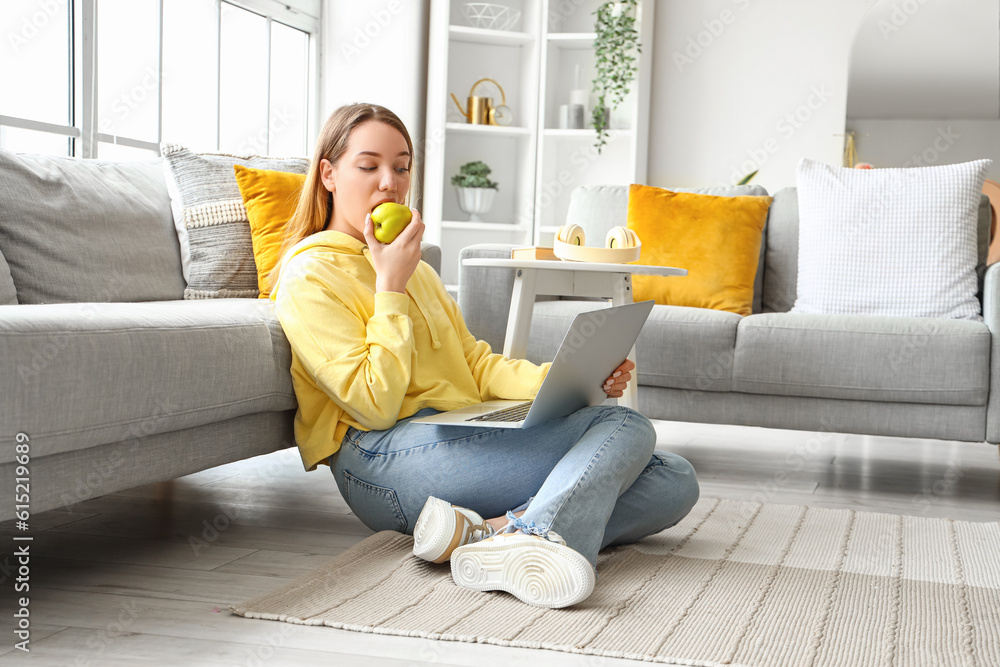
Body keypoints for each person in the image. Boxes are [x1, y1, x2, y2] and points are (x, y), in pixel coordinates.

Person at [268, 102, 699, 609]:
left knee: (673, 477)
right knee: (626, 431)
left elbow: (475, 365)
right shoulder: (310, 276)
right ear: (328, 175)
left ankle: (490, 533)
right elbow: (374, 406)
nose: (390, 182)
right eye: (369, 166)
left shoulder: (419, 272)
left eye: (402, 167)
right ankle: (537, 535)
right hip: (379, 460)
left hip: (456, 436)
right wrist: (390, 287)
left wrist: (571, 380)